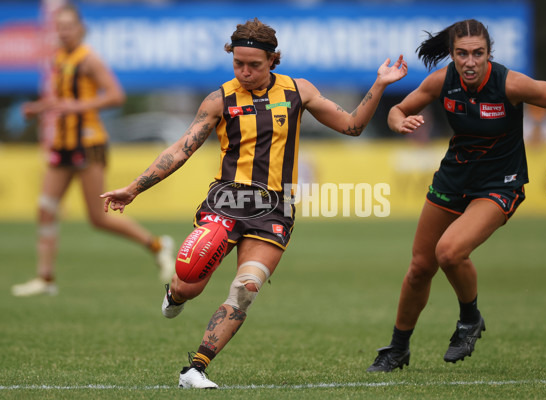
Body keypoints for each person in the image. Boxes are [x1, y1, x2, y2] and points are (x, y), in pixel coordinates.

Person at [101, 18, 407, 389]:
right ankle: (176, 292)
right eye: (238, 64)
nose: (245, 72)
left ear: (273, 59)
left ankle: (196, 368)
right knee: (188, 286)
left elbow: (353, 126)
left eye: (254, 65)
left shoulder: (298, 91)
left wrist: (379, 84)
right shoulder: (219, 99)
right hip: (226, 202)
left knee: (245, 289)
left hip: (276, 210)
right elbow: (182, 148)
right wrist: (135, 187)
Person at [367, 19, 546, 372]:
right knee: (420, 267)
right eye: (462, 54)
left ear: (488, 54)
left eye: (478, 53)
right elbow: (396, 110)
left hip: (499, 184)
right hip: (453, 180)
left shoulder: (509, 83)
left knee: (449, 252)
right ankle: (397, 349)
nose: (470, 62)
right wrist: (398, 121)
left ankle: (469, 319)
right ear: (452, 55)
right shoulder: (442, 81)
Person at [11, 5, 175, 297]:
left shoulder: (89, 59)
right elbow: (62, 99)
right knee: (45, 209)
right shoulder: (60, 57)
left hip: (88, 143)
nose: (63, 31)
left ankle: (158, 245)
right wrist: (39, 108)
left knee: (98, 218)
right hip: (62, 143)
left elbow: (116, 96)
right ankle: (45, 279)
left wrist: (78, 107)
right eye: (59, 27)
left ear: (80, 29)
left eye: (68, 26)